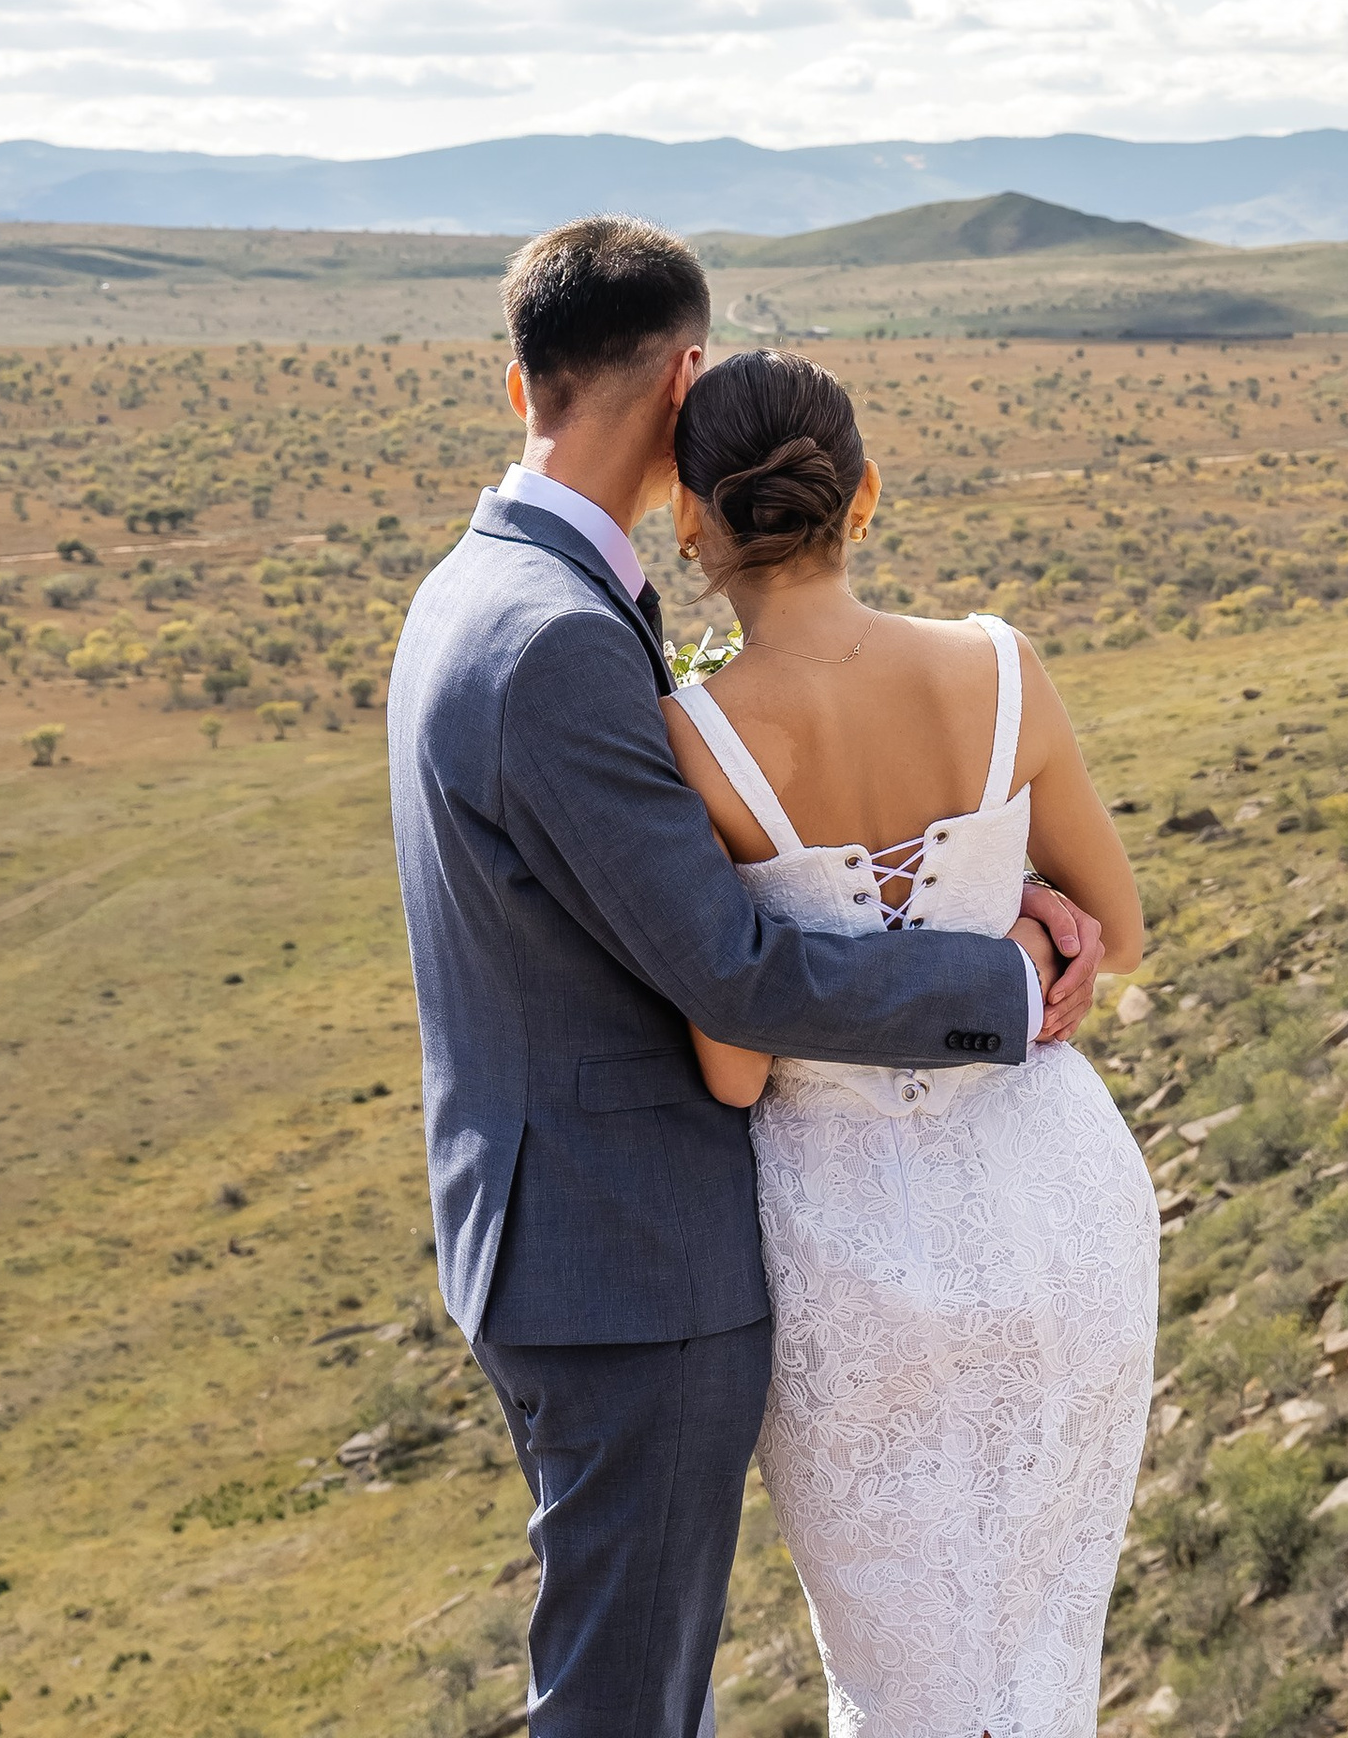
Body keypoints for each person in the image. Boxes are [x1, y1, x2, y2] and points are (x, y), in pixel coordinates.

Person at [385, 220, 1105, 1738]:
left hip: (555, 1228)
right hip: (626, 1258)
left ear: (519, 381)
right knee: (626, 1703)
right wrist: (1003, 966)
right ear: (688, 374)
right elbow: (733, 970)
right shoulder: (557, 642)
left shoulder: (480, 589)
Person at [664, 347, 1157, 1738]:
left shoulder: (691, 736)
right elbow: (1113, 928)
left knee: (904, 1682)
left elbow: (734, 1064)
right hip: (1064, 1201)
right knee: (1044, 1653)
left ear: (694, 524)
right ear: (863, 495)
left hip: (858, 1255)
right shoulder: (1000, 664)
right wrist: (1020, 913)